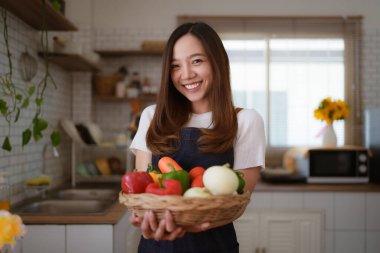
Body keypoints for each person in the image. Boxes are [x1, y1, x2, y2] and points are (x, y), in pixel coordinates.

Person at [129, 22, 266, 253]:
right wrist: (144, 222)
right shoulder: (152, 116)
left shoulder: (246, 121)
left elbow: (237, 204)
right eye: (175, 66)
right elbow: (143, 192)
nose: (186, 74)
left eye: (197, 61)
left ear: (217, 62)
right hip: (156, 246)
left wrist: (191, 225)